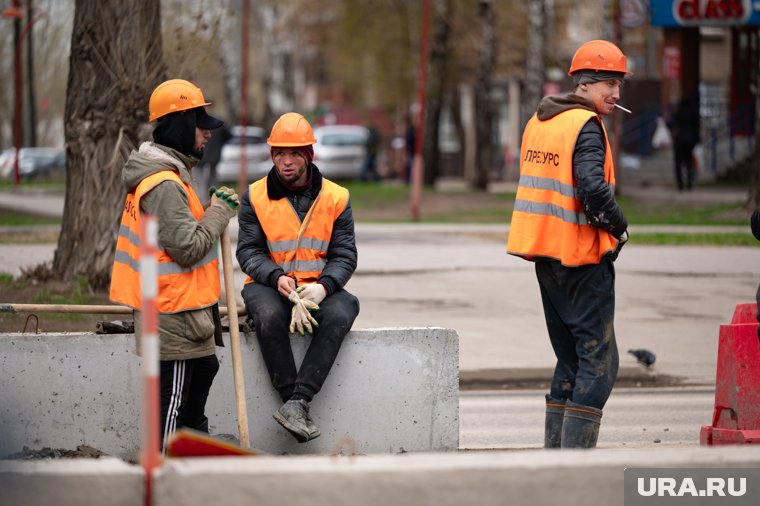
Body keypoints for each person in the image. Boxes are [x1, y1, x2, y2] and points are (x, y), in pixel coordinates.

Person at [506, 40, 630, 449]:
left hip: (545, 254)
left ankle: (555, 458)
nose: (615, 94)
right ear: (586, 84)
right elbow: (593, 188)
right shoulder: (585, 125)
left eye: (618, 85)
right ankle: (575, 461)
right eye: (609, 84)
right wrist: (619, 225)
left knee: (571, 358)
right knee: (599, 361)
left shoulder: (541, 120)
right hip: (580, 256)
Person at [110, 79, 239, 451]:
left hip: (184, 312)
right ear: (181, 124)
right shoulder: (163, 183)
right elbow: (188, 248)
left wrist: (211, 210)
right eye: (201, 126)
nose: (208, 134)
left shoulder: (170, 173)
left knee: (206, 371)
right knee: (171, 405)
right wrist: (219, 213)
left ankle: (193, 454)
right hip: (172, 315)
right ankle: (162, 472)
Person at [236, 112, 360, 443]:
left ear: (309, 155)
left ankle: (299, 401)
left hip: (317, 287)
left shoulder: (336, 198)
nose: (286, 162)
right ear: (272, 154)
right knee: (269, 315)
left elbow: (345, 255)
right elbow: (248, 253)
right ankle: (294, 402)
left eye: (294, 154)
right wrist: (275, 276)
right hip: (269, 285)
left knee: (343, 309)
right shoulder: (255, 197)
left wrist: (323, 287)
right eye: (280, 153)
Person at [668, 96, 700, 191]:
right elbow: (696, 128)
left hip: (680, 140)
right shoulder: (693, 114)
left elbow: (670, 123)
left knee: (678, 163)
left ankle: (680, 184)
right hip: (690, 140)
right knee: (689, 163)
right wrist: (697, 140)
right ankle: (689, 183)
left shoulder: (678, 113)